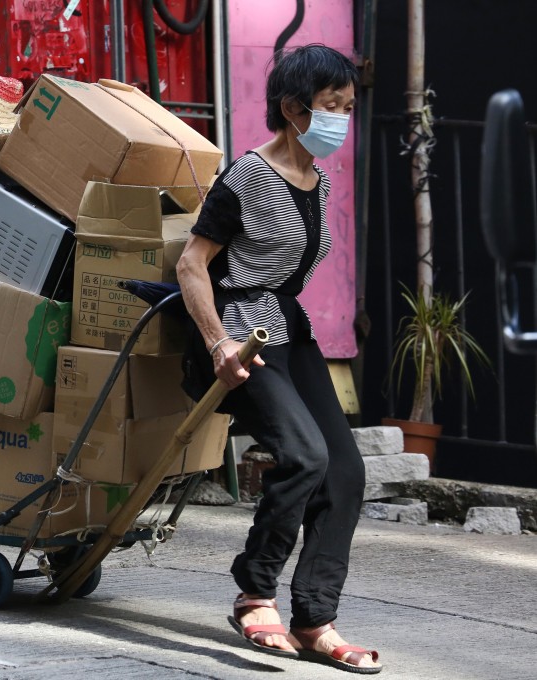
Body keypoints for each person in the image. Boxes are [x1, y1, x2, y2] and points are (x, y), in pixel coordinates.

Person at [176, 45, 381, 674]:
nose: (342, 119)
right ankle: (254, 591)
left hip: (289, 331)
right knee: (305, 455)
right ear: (292, 109)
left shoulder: (318, 179)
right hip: (239, 333)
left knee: (345, 470)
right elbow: (191, 264)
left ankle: (316, 616)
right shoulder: (246, 177)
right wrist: (217, 345)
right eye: (331, 107)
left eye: (348, 107)